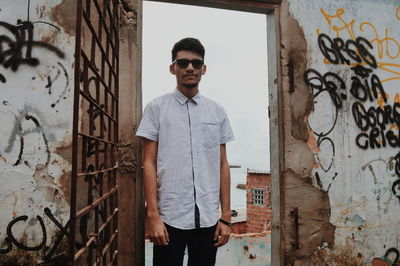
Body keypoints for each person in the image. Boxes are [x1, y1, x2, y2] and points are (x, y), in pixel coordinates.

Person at [136, 37, 235, 266]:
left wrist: (226, 217)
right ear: (173, 68)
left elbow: (222, 164)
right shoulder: (156, 108)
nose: (190, 68)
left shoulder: (216, 111)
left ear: (204, 69)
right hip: (170, 218)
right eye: (183, 63)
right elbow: (148, 163)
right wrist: (153, 216)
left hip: (209, 219)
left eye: (196, 63)